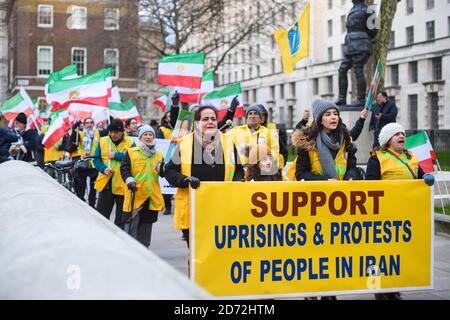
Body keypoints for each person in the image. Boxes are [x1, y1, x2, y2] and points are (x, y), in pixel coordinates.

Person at [366, 122, 434, 300]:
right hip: (384, 214)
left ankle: (394, 288)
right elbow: (371, 185)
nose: (401, 136)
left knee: (398, 254)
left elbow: (419, 179)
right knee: (381, 254)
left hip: (405, 215)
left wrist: (426, 180)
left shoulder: (411, 157)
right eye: (396, 134)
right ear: (388, 140)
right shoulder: (377, 158)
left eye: (402, 133)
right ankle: (380, 290)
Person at [165, 105, 242, 247]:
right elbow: (169, 171)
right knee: (197, 254)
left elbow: (238, 169)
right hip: (193, 209)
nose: (210, 122)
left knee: (216, 252)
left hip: (221, 208)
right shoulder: (184, 143)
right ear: (197, 124)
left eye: (213, 118)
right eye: (205, 119)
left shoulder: (228, 142)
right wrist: (184, 180)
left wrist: (237, 180)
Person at [294, 100, 360, 183]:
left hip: (343, 192)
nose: (333, 117)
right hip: (317, 193)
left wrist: (351, 177)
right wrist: (324, 181)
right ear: (320, 120)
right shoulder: (307, 141)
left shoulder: (346, 139)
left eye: (335, 114)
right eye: (328, 114)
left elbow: (352, 168)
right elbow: (301, 174)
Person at [120, 125, 165, 248]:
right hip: (135, 195)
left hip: (151, 197)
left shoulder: (159, 155)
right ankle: (131, 252)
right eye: (145, 134)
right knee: (131, 230)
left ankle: (145, 252)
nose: (148, 137)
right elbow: (124, 168)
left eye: (151, 134)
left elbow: (162, 173)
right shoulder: (131, 152)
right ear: (140, 137)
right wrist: (129, 180)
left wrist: (164, 168)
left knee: (146, 229)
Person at [93, 119, 135, 229]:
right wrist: (103, 169)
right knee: (101, 217)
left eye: (116, 132)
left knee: (121, 220)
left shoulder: (130, 142)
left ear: (122, 132)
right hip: (106, 184)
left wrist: (116, 155)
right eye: (111, 132)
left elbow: (134, 159)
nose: (113, 135)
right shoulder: (103, 141)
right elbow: (96, 159)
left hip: (122, 185)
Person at [336, 0, 378, 106]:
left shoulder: (370, 9)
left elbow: (374, 30)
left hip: (361, 43)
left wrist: (364, 36)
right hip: (349, 43)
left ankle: (360, 99)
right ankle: (342, 98)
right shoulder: (352, 9)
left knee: (358, 69)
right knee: (342, 69)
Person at [227, 105, 280, 175]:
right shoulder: (236, 131)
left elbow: (275, 152)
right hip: (239, 171)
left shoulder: (269, 133)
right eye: (250, 114)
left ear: (260, 119)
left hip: (260, 171)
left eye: (256, 113)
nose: (252, 116)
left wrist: (261, 155)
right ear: (247, 117)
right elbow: (223, 140)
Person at [69, 117, 100, 208]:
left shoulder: (97, 133)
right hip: (83, 163)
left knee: (93, 186)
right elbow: (73, 139)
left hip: (94, 163)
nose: (89, 124)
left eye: (91, 122)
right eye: (87, 123)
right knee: (81, 185)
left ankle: (92, 204)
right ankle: (81, 202)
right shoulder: (80, 133)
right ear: (84, 124)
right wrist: (75, 128)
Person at [258, 104, 288, 169]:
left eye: (263, 115)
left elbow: (283, 149)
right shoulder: (250, 130)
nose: (262, 117)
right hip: (256, 166)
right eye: (260, 115)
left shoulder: (273, 127)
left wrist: (281, 164)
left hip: (273, 166)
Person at [156, 111, 174, 216]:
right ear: (166, 118)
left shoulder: (179, 129)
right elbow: (159, 143)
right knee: (166, 181)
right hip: (166, 157)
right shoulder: (162, 129)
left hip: (177, 157)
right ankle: (167, 206)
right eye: (169, 116)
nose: (171, 118)